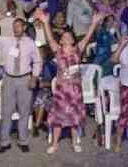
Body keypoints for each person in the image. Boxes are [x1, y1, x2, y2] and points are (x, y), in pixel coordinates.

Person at [35, 9, 104, 154]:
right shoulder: (57, 50)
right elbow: (49, 38)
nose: (66, 38)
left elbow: (87, 36)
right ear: (61, 40)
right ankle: (54, 144)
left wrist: (94, 22)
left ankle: (75, 141)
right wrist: (46, 22)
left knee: (74, 119)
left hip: (75, 91)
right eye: (64, 36)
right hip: (61, 91)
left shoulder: (78, 50)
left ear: (73, 40)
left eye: (69, 36)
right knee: (58, 119)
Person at [0, 15, 41, 154]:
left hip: (24, 79)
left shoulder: (30, 42)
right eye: (14, 26)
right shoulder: (6, 41)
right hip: (9, 78)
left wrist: (34, 77)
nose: (15, 29)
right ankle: (4, 142)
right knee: (6, 111)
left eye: (18, 26)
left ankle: (23, 141)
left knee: (24, 111)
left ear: (24, 28)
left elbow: (37, 61)